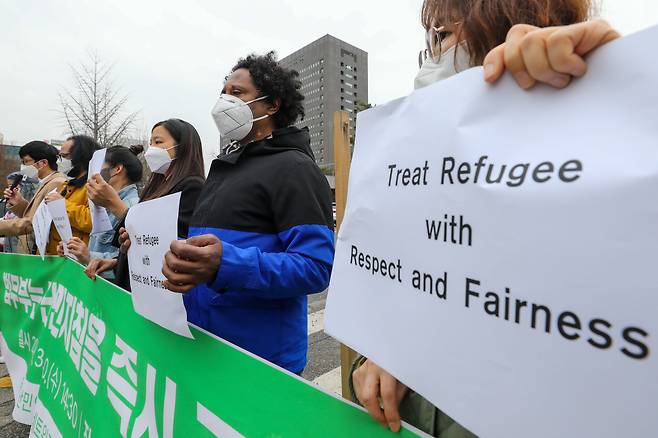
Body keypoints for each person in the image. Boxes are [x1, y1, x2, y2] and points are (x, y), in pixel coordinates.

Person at [348, 1, 621, 435]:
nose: (433, 55)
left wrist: (621, 90)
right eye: (432, 39)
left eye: (445, 34)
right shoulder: (420, 184)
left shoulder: (610, 152)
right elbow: (393, 294)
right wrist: (378, 356)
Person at [159, 52, 334, 375]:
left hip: (261, 361)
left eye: (237, 93)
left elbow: (315, 267)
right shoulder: (225, 167)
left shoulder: (295, 168)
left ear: (273, 105)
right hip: (203, 345)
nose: (225, 100)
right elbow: (207, 245)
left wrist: (226, 264)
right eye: (223, 92)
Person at [84, 119, 205, 288]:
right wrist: (116, 261)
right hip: (138, 283)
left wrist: (115, 205)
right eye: (150, 143)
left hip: (162, 291)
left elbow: (164, 243)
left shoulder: (192, 187)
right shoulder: (154, 188)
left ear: (183, 147)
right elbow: (141, 244)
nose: (151, 149)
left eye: (158, 142)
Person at [57, 146, 142, 279]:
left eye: (98, 167)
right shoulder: (103, 203)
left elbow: (131, 260)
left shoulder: (133, 207)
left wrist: (88, 256)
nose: (92, 174)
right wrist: (76, 251)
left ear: (117, 169)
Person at [0, 141, 67, 254]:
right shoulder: (46, 182)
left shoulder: (56, 183)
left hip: (44, 252)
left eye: (26, 161)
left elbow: (34, 223)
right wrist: (18, 202)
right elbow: (36, 215)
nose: (24, 166)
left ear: (43, 163)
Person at [43, 135, 100, 255]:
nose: (60, 161)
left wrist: (63, 204)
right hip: (57, 253)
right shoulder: (68, 182)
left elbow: (93, 222)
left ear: (80, 157)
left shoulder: (94, 185)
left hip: (74, 257)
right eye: (59, 156)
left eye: (64, 156)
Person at [1, 172, 38, 253]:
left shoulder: (34, 210)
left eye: (14, 187)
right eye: (9, 187)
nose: (9, 191)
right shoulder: (11, 211)